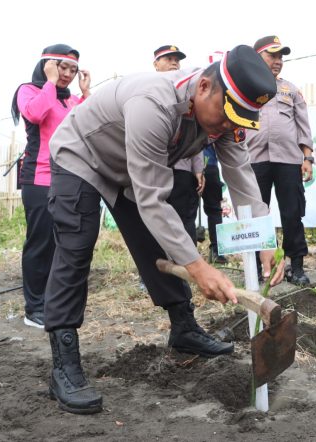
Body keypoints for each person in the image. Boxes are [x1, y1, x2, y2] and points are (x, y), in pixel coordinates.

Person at [43, 45, 285, 414]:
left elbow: (240, 174)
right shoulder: (153, 103)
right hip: (83, 157)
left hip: (130, 171)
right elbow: (152, 199)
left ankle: (184, 329)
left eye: (239, 120)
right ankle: (64, 361)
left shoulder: (224, 115)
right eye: (227, 115)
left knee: (161, 243)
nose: (228, 126)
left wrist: (265, 240)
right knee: (77, 245)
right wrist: (198, 266)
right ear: (203, 87)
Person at [11, 44, 91, 329]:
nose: (67, 74)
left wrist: (84, 94)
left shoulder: (69, 100)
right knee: (40, 242)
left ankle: (51, 301)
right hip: (39, 178)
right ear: (47, 66)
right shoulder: (30, 90)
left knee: (61, 243)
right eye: (62, 67)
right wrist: (50, 82)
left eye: (73, 69)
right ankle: (33, 308)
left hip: (66, 179)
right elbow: (34, 115)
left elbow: (81, 126)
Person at [246, 36, 313, 285]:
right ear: (257, 57)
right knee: (256, 216)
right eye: (272, 56)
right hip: (254, 159)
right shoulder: (246, 88)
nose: (277, 61)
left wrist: (307, 157)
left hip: (288, 160)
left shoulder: (291, 90)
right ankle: (257, 268)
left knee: (292, 213)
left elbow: (303, 127)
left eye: (280, 57)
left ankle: (296, 267)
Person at [153, 45, 204, 243]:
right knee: (155, 219)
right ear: (156, 64)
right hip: (155, 168)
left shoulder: (188, 91)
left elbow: (194, 131)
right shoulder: (146, 89)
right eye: (168, 58)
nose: (174, 62)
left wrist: (197, 169)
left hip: (182, 168)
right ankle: (152, 271)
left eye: (177, 59)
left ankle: (187, 270)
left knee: (184, 219)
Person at [201, 143, 227, 264]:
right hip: (189, 164)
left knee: (214, 210)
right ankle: (217, 252)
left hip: (208, 163)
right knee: (186, 213)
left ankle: (217, 250)